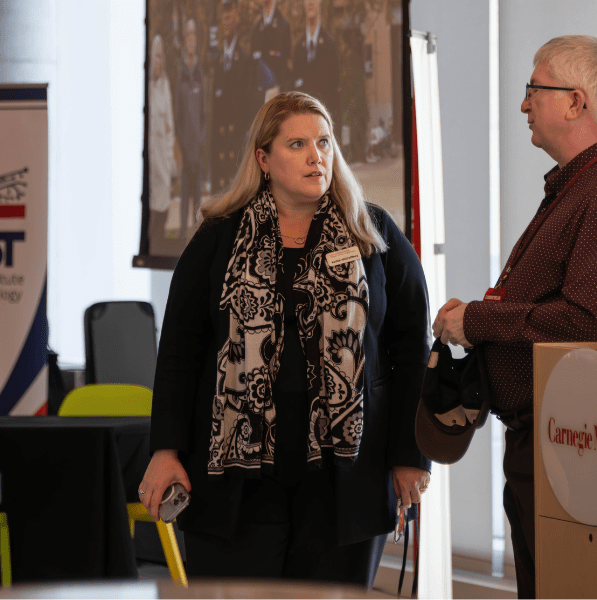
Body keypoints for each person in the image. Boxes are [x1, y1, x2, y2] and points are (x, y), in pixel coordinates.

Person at [140, 92, 431, 588]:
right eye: (296, 144)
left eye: (323, 142)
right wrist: (165, 449)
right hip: (236, 478)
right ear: (263, 159)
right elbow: (179, 354)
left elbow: (411, 349)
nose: (316, 155)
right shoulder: (220, 237)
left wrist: (411, 455)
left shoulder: (372, 233)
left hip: (346, 476)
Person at [432, 36, 597, 598]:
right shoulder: (580, 185)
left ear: (576, 102)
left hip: (570, 451)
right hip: (550, 444)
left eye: (535, 88)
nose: (524, 103)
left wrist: (478, 322)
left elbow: (584, 324)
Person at [211, 0, 256, 194]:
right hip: (221, 145)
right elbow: (215, 108)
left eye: (230, 16)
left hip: (237, 142)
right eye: (224, 17)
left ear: (237, 17)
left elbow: (248, 106)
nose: (226, 21)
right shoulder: (218, 61)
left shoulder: (244, 58)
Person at [174, 17, 207, 239]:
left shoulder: (200, 74)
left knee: (197, 197)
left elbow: (205, 114)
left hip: (199, 150)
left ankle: (196, 234)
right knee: (185, 195)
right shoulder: (181, 75)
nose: (191, 39)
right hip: (185, 151)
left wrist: (200, 143)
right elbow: (177, 118)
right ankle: (182, 236)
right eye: (188, 35)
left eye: (194, 35)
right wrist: (184, 147)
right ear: (185, 42)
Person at [292, 0, 341, 139]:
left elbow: (334, 95)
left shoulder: (330, 45)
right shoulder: (298, 48)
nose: (310, 3)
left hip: (323, 129)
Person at [148, 33, 177, 254]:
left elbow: (169, 127)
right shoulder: (146, 87)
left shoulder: (164, 85)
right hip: (150, 164)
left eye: (160, 57)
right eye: (154, 56)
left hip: (162, 164)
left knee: (163, 210)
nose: (157, 61)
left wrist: (169, 162)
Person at [251, 0, 291, 93]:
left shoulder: (283, 26)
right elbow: (252, 71)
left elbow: (285, 70)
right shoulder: (256, 29)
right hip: (258, 98)